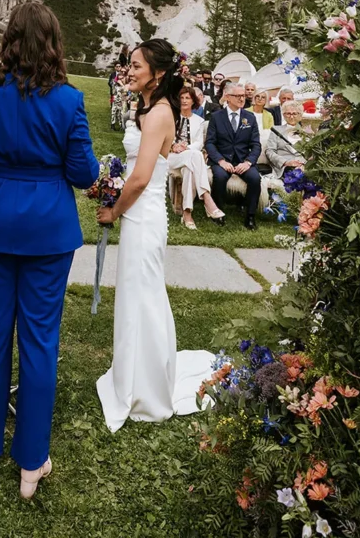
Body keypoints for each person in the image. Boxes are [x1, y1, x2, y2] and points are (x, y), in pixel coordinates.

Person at [0, 0, 99, 499]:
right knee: (39, 342)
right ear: (53, 43)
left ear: (8, 40)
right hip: (47, 230)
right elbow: (83, 173)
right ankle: (32, 463)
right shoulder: (68, 101)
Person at [95, 39, 213, 432]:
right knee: (137, 295)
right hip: (140, 216)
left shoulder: (160, 113)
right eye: (128, 65)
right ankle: (133, 373)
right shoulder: (148, 108)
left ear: (159, 73)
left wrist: (113, 209)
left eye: (137, 66)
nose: (130, 71)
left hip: (144, 218)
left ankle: (147, 388)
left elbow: (142, 177)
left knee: (145, 296)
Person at [205, 82, 262, 230]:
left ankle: (250, 216)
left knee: (255, 178)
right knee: (220, 177)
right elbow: (210, 143)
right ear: (228, 97)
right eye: (238, 96)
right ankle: (218, 212)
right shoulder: (216, 117)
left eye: (243, 96)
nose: (242, 99)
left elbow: (256, 144)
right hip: (222, 160)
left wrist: (248, 162)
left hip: (243, 160)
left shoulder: (250, 117)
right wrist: (221, 161)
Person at [168, 87, 225, 229]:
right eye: (181, 98)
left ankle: (187, 213)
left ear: (193, 100)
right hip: (171, 157)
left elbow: (199, 143)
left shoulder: (199, 121)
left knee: (189, 169)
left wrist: (186, 148)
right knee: (196, 156)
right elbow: (164, 137)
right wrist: (174, 146)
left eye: (187, 98)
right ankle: (207, 198)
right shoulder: (171, 117)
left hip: (189, 157)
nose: (184, 101)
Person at [265, 100, 307, 177]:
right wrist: (285, 162)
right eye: (288, 113)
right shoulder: (276, 130)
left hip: (303, 165)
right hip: (285, 166)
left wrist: (303, 164)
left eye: (294, 113)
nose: (291, 116)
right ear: (283, 115)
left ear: (300, 115)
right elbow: (269, 151)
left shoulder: (307, 133)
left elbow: (310, 153)